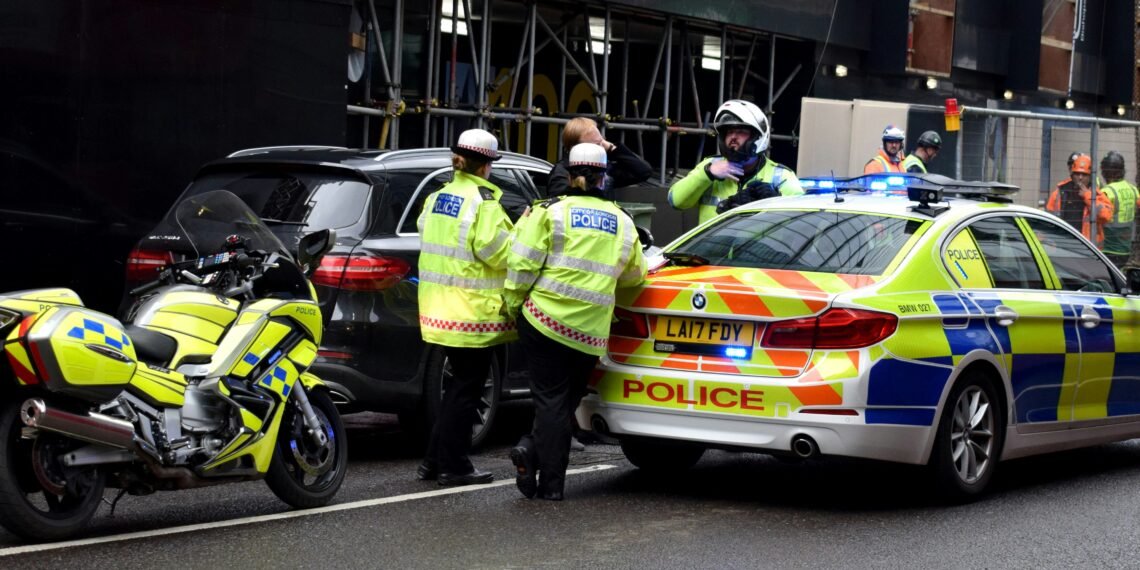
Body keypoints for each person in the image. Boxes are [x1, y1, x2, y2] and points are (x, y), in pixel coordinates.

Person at [503, 143, 647, 501]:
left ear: (569, 175)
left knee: (550, 401)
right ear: (604, 177)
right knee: (564, 403)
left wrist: (512, 305)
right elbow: (635, 276)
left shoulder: (548, 212)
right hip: (589, 333)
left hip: (543, 321)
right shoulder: (623, 221)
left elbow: (521, 264)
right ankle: (538, 462)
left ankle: (546, 477)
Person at [415, 128, 516, 486]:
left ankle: (433, 462)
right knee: (466, 390)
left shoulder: (438, 197)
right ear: (486, 165)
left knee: (459, 386)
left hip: (439, 309)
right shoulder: (483, 202)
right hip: (470, 312)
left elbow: (426, 232)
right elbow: (498, 251)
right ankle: (454, 465)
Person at [668, 99, 804, 224]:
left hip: (759, 251)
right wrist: (707, 174)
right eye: (729, 132)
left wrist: (776, 203)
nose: (732, 137)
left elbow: (803, 221)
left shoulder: (780, 176)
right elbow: (675, 201)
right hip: (710, 251)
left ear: (757, 136)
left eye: (740, 131)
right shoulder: (709, 166)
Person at [547, 117, 653, 199]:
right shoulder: (561, 172)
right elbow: (558, 207)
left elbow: (644, 171)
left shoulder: (602, 167)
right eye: (596, 144)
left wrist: (612, 148)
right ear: (575, 148)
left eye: (603, 141)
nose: (602, 148)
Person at [1046, 153, 1113, 247]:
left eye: (1084, 174)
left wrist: (1087, 196)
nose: (1080, 177)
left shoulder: (1096, 194)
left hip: (1087, 248)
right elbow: (1048, 220)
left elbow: (1106, 216)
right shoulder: (1060, 192)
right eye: (1077, 174)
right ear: (1072, 174)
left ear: (1090, 176)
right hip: (1063, 245)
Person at [1098, 151, 1140, 266]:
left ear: (1106, 172)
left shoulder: (1107, 191)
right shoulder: (1133, 189)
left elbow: (1098, 215)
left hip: (1108, 248)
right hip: (1126, 248)